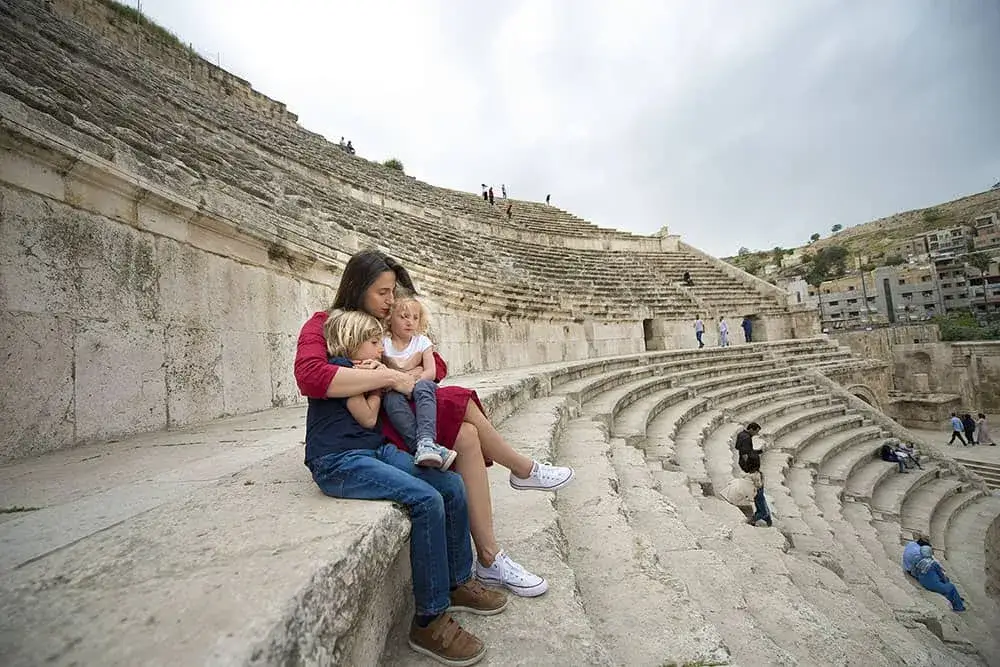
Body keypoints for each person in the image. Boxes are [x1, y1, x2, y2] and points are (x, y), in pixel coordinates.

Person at [295, 249, 575, 598]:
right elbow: (310, 376)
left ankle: (490, 556)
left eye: (392, 292)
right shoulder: (325, 323)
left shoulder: (387, 321)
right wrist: (388, 378)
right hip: (377, 419)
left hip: (396, 408)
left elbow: (437, 364)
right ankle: (521, 472)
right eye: (383, 292)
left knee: (467, 433)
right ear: (357, 287)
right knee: (458, 402)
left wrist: (403, 373)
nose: (391, 300)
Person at [306, 310, 501, 664]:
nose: (380, 349)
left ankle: (457, 581)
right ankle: (428, 619)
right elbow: (368, 417)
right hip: (339, 462)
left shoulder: (367, 366)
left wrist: (380, 377)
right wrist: (378, 384)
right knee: (427, 500)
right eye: (373, 342)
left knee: (451, 484)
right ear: (352, 343)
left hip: (372, 450)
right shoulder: (341, 368)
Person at [381, 295, 455, 470]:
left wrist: (411, 383)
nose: (410, 322)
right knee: (391, 399)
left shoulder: (422, 341)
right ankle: (422, 449)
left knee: (423, 387)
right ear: (390, 318)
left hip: (420, 383)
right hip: (395, 388)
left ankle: (426, 440)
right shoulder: (384, 343)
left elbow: (430, 371)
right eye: (404, 317)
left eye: (415, 318)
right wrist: (401, 381)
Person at [733, 423, 770, 527]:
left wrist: (755, 452)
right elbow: (745, 454)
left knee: (760, 499)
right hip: (749, 468)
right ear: (752, 429)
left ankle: (766, 517)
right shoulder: (747, 438)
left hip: (745, 464)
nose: (757, 433)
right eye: (756, 431)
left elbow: (738, 448)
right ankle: (757, 518)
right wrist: (749, 466)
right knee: (760, 498)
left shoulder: (741, 434)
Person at [912, 544, 966, 611]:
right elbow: (941, 575)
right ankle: (959, 607)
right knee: (951, 586)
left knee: (945, 585)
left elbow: (913, 572)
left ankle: (954, 597)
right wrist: (945, 580)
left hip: (922, 581)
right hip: (933, 585)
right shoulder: (933, 563)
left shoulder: (916, 559)